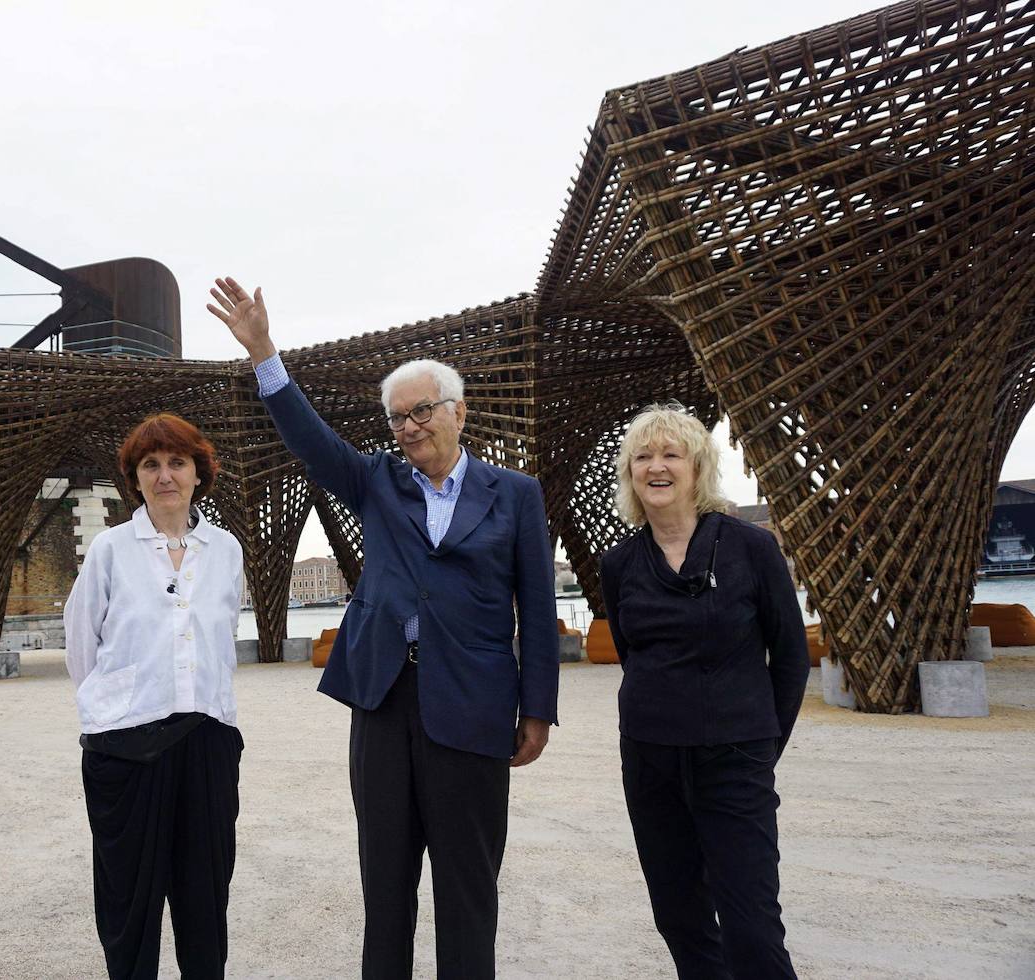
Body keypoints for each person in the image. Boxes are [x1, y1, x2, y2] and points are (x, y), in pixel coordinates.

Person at [208, 277, 558, 980]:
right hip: (384, 702)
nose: (408, 426)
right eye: (397, 418)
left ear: (457, 412)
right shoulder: (377, 482)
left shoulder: (515, 496)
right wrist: (263, 352)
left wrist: (537, 709)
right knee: (385, 885)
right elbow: (309, 440)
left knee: (468, 888)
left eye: (421, 411)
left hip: (473, 706)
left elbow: (541, 608)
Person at [599, 404, 809, 980]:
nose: (656, 467)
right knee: (679, 915)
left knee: (752, 926)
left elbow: (790, 657)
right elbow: (631, 652)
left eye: (671, 454)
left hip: (735, 759)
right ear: (630, 474)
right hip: (650, 761)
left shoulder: (750, 548)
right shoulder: (619, 564)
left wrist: (762, 745)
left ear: (698, 468)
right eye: (643, 456)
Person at [64, 413, 245, 980]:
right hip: (126, 746)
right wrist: (119, 707)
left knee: (204, 896)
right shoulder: (111, 550)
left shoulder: (225, 550)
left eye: (177, 462)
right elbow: (80, 643)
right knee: (129, 902)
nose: (165, 475)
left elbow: (220, 639)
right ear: (135, 479)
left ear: (198, 474)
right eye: (151, 465)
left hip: (209, 739)